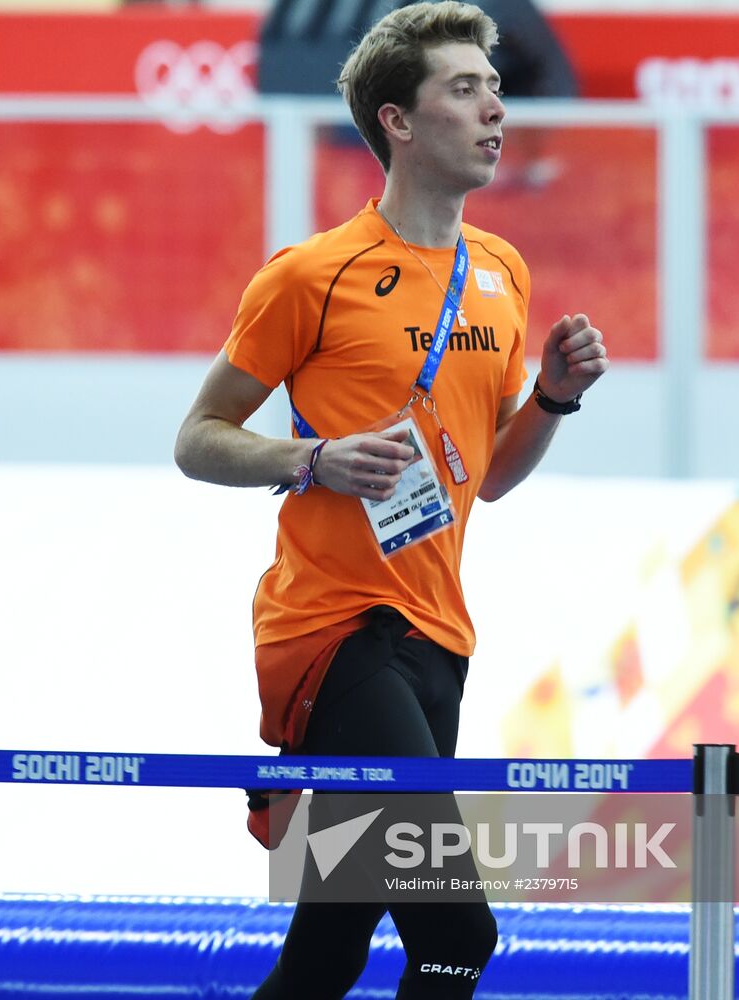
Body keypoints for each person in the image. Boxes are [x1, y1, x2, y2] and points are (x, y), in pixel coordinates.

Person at [174, 3, 608, 997]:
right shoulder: (312, 275)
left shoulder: (501, 272)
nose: (495, 107)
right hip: (335, 632)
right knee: (457, 928)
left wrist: (552, 397)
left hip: (437, 639)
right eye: (465, 88)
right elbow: (198, 439)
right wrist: (312, 459)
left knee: (325, 953)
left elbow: (491, 475)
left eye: (495, 87)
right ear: (397, 122)